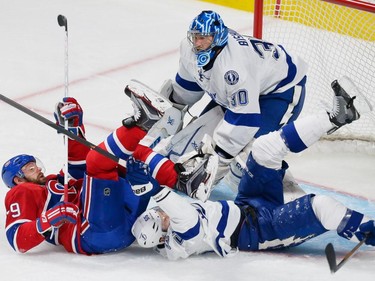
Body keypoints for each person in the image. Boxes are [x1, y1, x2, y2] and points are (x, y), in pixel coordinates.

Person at [131, 78, 375, 260]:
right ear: (162, 237)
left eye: (157, 213)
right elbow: (185, 215)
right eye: (160, 222)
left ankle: (336, 116)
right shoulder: (181, 242)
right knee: (322, 207)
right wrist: (155, 191)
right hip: (263, 231)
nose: (163, 215)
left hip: (247, 204)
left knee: (263, 148)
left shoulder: (170, 229)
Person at [2, 96, 194, 254]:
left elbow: (78, 168)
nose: (38, 169)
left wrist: (73, 129)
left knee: (130, 155)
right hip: (95, 232)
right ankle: (142, 122)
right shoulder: (21, 192)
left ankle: (184, 181)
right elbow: (17, 239)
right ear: (18, 179)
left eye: (35, 165)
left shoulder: (53, 182)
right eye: (30, 168)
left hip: (120, 218)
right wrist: (53, 216)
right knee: (98, 161)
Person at [159, 10, 309, 191]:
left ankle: (291, 200)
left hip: (279, 92)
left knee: (249, 160)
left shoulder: (234, 68)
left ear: (217, 38)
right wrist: (172, 109)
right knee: (190, 148)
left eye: (203, 38)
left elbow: (244, 121)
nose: (197, 44)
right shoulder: (189, 49)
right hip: (246, 89)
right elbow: (188, 87)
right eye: (195, 37)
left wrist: (217, 163)